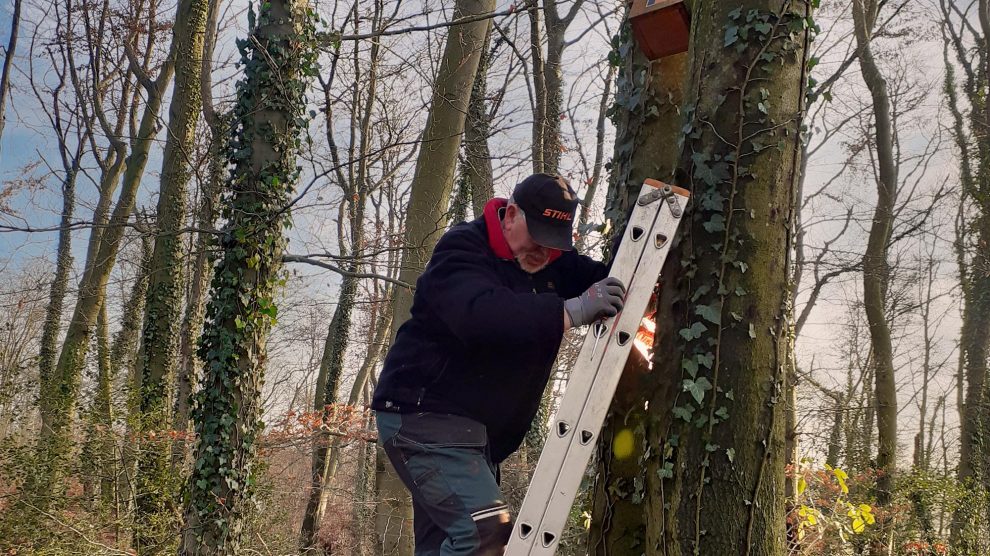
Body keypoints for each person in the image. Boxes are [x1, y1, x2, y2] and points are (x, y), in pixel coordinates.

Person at [372, 173, 626, 555]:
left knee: (445, 545)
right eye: (536, 236)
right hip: (423, 415)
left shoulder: (551, 262)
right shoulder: (462, 250)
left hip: (476, 438)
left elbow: (608, 279)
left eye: (554, 243)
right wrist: (571, 310)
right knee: (486, 533)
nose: (543, 250)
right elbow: (480, 316)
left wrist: (638, 251)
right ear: (509, 215)